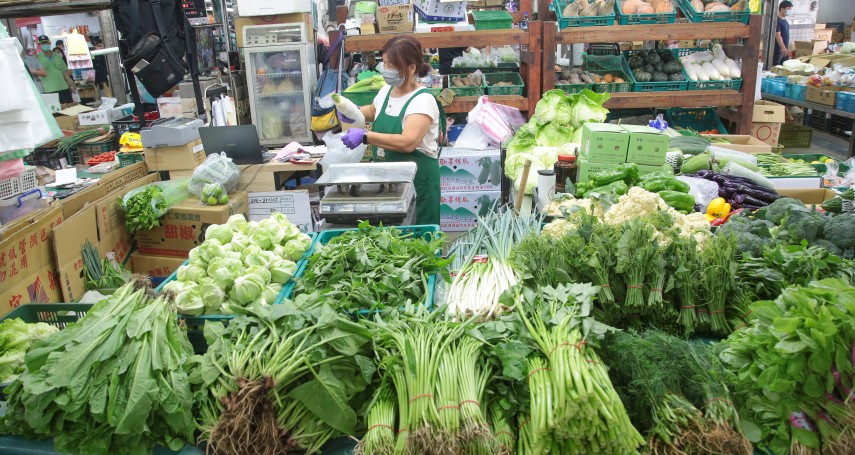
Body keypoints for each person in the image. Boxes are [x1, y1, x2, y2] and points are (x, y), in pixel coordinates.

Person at [340, 36, 446, 225]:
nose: (386, 70)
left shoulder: (422, 100)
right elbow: (374, 111)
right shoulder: (387, 91)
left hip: (418, 183)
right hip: (391, 181)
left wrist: (366, 136)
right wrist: (352, 113)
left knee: (420, 239)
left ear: (411, 68)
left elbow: (408, 142)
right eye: (385, 64)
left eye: (391, 65)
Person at [35, 35, 76, 104]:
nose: (45, 44)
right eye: (42, 43)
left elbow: (65, 74)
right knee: (55, 113)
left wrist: (72, 84)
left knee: (70, 111)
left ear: (50, 43)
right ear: (39, 45)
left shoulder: (57, 56)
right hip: (49, 91)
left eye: (46, 42)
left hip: (64, 89)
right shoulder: (37, 57)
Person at [775, 1, 793, 66]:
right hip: (778, 50)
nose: (790, 11)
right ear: (782, 9)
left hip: (784, 49)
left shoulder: (785, 21)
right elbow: (777, 35)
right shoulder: (777, 21)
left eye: (790, 9)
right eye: (788, 9)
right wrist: (783, 48)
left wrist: (786, 48)